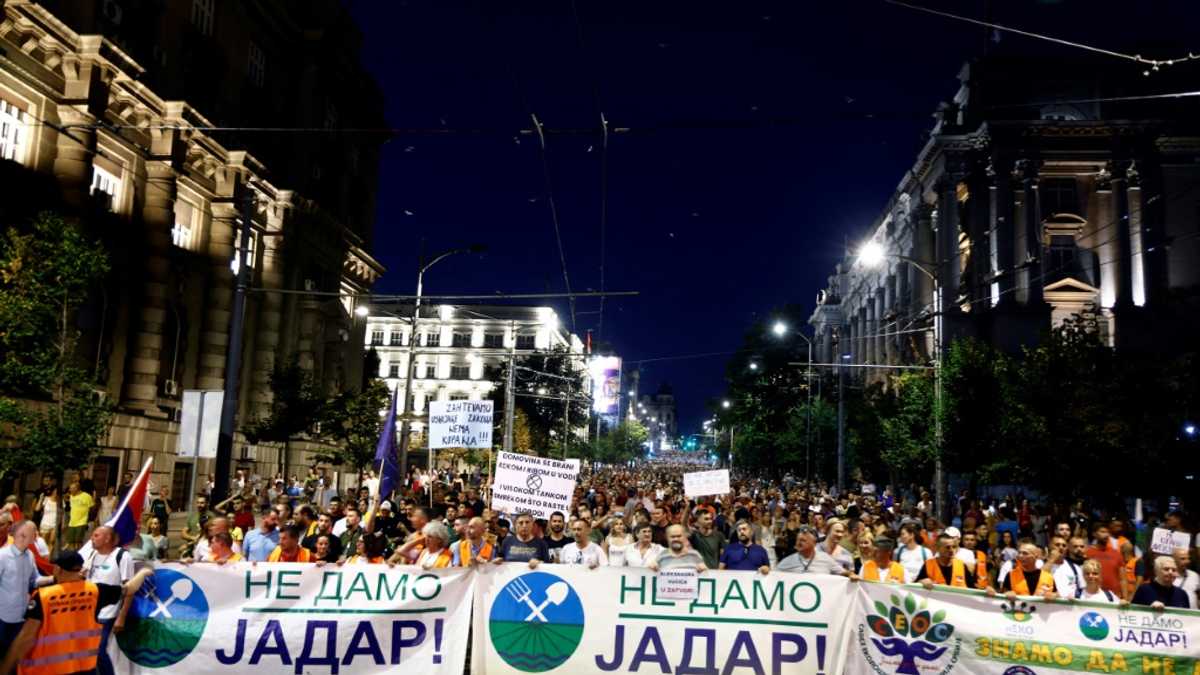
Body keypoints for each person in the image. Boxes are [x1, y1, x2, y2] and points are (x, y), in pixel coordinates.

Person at [0, 551, 153, 675]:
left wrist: (5, 668)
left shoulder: (43, 597)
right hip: (85, 668)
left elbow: (26, 638)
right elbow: (129, 589)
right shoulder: (96, 591)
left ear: (57, 569)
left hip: (49, 669)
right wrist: (144, 573)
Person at [79, 526, 134, 675]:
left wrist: (121, 617)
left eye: (96, 535)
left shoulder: (122, 556)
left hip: (107, 612)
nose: (92, 538)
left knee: (98, 650)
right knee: (88, 651)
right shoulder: (92, 554)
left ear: (107, 538)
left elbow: (129, 589)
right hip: (88, 610)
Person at [0, 522, 45, 659]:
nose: (37, 534)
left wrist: (55, 578)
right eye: (34, 531)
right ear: (22, 535)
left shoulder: (30, 555)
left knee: (14, 655)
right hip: (3, 617)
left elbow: (35, 580)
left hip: (21, 616)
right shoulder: (2, 556)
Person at [778, 525, 856, 577]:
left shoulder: (826, 559)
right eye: (797, 540)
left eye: (803, 540)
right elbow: (772, 575)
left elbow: (843, 572)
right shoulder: (789, 560)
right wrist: (766, 570)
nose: (798, 543)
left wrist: (851, 575)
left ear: (814, 543)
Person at [1085, 524, 1126, 598]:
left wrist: (1125, 598)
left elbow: (1123, 579)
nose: (1106, 535)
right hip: (1092, 595)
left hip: (1114, 597)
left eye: (1108, 532)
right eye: (1103, 532)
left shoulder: (1116, 553)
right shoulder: (1087, 553)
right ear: (1094, 534)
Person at [1053, 536, 1088, 600]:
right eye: (1057, 545)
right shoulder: (1041, 565)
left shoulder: (1076, 568)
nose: (1061, 547)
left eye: (1064, 545)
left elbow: (1083, 589)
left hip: (1070, 606)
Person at [64, 482, 93, 551]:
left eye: (72, 488)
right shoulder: (71, 496)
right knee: (70, 541)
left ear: (77, 488)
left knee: (78, 542)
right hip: (72, 522)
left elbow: (92, 507)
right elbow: (67, 500)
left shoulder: (86, 496)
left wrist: (88, 519)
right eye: (70, 488)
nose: (70, 490)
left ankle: (80, 555)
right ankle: (72, 556)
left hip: (81, 522)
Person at [34, 485, 59, 555]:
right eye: (56, 491)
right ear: (53, 491)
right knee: (43, 542)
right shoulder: (46, 499)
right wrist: (40, 499)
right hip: (45, 523)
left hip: (54, 524)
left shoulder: (60, 501)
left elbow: (62, 514)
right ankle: (41, 558)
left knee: (52, 542)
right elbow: (37, 509)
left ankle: (48, 559)